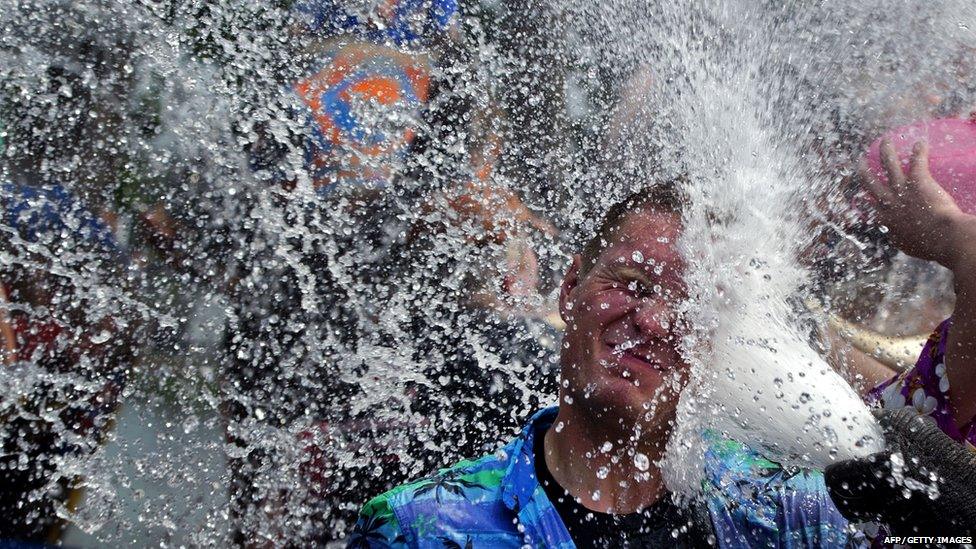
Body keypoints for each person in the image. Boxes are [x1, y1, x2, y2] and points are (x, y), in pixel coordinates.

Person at [346, 137, 976, 547]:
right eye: (629, 282)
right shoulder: (425, 528)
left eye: (691, 304)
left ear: (721, 339)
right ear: (570, 289)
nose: (651, 320)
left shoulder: (783, 514)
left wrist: (956, 239)